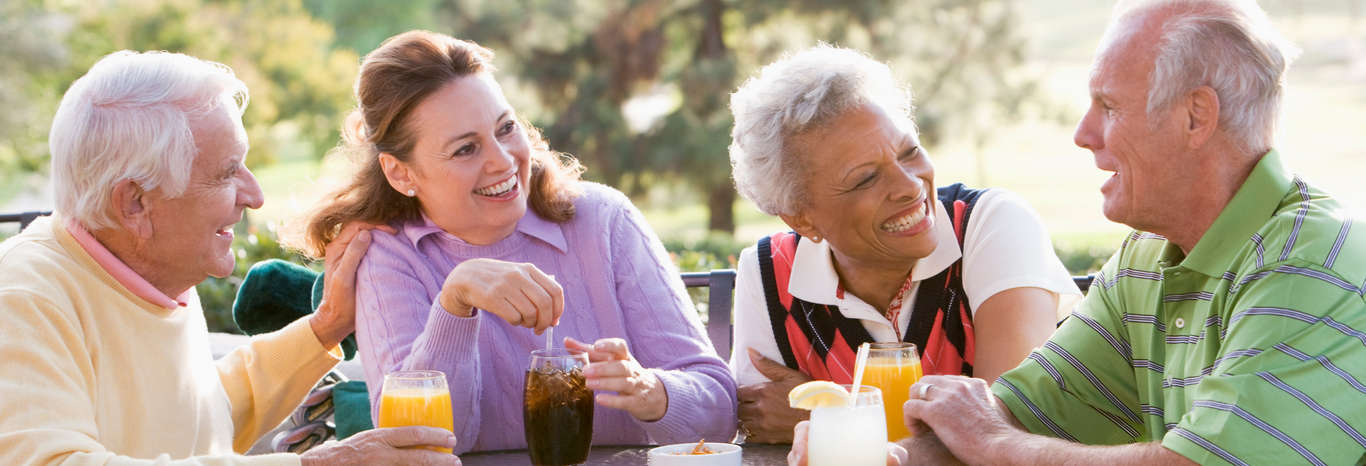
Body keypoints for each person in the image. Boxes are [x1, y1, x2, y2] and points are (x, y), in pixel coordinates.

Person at [787, 1, 1366, 464]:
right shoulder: (1147, 258)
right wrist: (879, 456)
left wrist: (993, 444)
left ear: (1196, 116)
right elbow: (1020, 412)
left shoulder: (1310, 263)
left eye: (1108, 106)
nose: (1084, 133)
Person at [0, 51, 459, 465]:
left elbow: (200, 416)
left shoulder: (151, 267)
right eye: (225, 174)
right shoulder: (23, 299)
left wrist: (328, 324)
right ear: (135, 203)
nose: (255, 196)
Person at [301, 30, 737, 454]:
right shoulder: (387, 255)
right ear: (401, 173)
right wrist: (455, 301)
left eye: (505, 128)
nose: (503, 160)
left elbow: (719, 411)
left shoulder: (603, 220)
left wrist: (651, 391)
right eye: (465, 149)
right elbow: (417, 443)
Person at [726, 44, 1082, 443]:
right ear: (802, 217)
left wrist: (829, 419)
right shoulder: (770, 270)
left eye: (909, 152)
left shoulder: (994, 225)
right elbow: (761, 421)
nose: (910, 186)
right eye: (866, 178)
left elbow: (1008, 426)